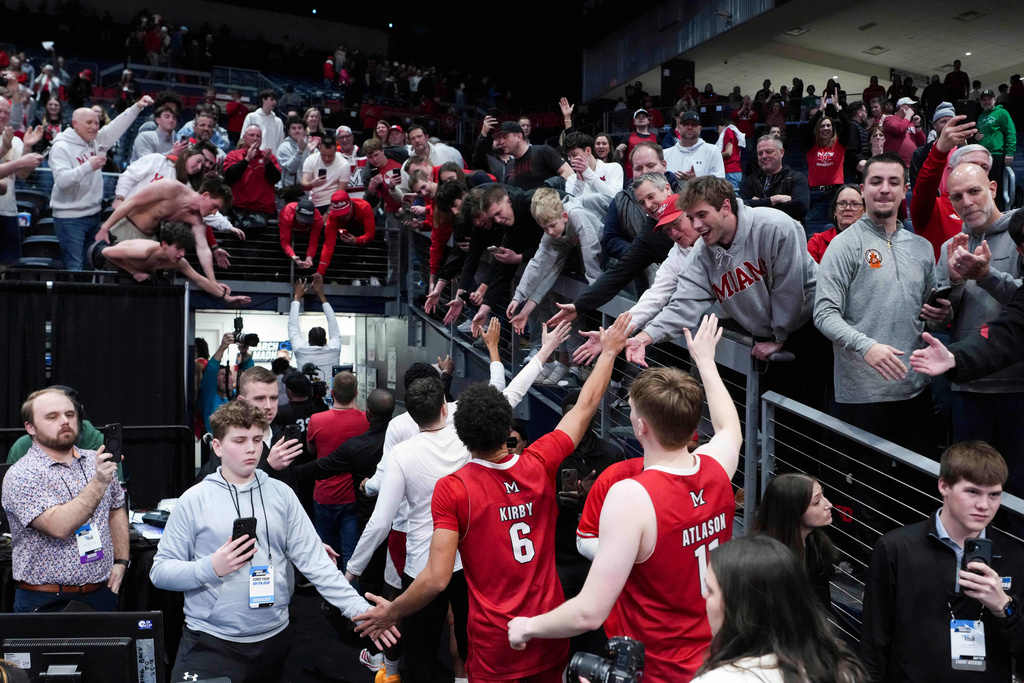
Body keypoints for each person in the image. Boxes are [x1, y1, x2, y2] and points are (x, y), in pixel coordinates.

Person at [354, 314, 633, 682]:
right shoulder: (539, 462)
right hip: (549, 630)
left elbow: (437, 579)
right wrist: (610, 351)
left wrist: (393, 612)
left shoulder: (454, 489)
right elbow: (584, 408)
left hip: (497, 644)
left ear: (463, 436)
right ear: (508, 428)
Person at [506, 314, 742, 682]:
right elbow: (730, 428)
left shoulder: (633, 495)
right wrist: (706, 362)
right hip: (713, 658)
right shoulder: (717, 468)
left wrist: (526, 626)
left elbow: (588, 613)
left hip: (656, 668)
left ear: (641, 426)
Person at [150, 400, 398, 682]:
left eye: (257, 439)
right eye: (240, 440)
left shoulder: (281, 494)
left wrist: (360, 610)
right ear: (217, 447)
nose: (251, 448)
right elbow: (160, 572)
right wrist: (211, 567)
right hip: (211, 641)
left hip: (274, 639)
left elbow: (317, 564)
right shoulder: (194, 500)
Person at [814, 152, 949, 459]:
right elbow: (823, 313)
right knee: (872, 495)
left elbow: (929, 319)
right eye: (876, 181)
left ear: (905, 189)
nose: (884, 189)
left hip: (916, 391)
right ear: (863, 189)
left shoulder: (922, 248)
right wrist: (867, 346)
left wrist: (942, 315)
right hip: (864, 396)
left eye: (893, 182)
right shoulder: (844, 245)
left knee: (918, 492)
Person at [860, 441, 1024, 682]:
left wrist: (1004, 607)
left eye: (994, 495)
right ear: (944, 486)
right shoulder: (896, 548)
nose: (984, 505)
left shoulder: (1015, 555)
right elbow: (874, 644)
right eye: (973, 492)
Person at [934, 167, 1024, 503]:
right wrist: (943, 303)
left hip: (1016, 386)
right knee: (969, 489)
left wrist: (987, 275)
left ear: (992, 187)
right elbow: (942, 318)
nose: (966, 202)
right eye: (957, 196)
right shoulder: (950, 247)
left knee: (1017, 490)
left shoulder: (1020, 232)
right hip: (967, 387)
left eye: (973, 191)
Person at [2, 388, 128, 612]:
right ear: (30, 427)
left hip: (101, 594)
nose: (65, 421)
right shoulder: (21, 474)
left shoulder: (95, 461)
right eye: (52, 417)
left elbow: (116, 507)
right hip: (45, 599)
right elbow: (60, 527)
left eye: (70, 415)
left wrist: (121, 561)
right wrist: (98, 481)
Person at [690, 535, 867, 683]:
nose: (705, 596)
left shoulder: (718, 679)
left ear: (743, 607)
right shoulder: (838, 665)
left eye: (711, 590)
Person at [49, 95, 153, 270]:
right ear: (75, 124)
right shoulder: (61, 147)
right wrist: (88, 166)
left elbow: (116, 127)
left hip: (93, 215)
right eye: (89, 123)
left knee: (91, 264)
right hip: (69, 218)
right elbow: (62, 181)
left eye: (97, 123)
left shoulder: (95, 141)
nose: (94, 127)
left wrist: (137, 107)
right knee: (75, 267)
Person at [94, 177, 230, 288]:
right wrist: (105, 227)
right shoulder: (170, 187)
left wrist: (212, 282)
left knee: (140, 283)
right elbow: (132, 202)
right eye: (214, 207)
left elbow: (203, 248)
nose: (213, 213)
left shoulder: (197, 219)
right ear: (205, 195)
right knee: (111, 277)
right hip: (126, 226)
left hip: (148, 239)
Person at [89, 224, 250, 304]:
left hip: (131, 266)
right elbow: (106, 253)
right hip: (102, 255)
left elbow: (199, 279)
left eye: (184, 250)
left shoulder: (179, 262)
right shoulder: (145, 251)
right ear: (164, 244)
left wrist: (227, 298)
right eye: (178, 249)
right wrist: (133, 272)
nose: (182, 254)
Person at [306, 372, 368, 568]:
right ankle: (351, 597)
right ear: (356, 393)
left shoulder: (317, 419)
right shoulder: (366, 419)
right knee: (351, 555)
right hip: (352, 495)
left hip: (325, 494)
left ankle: (328, 597)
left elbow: (311, 450)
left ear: (331, 392)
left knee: (326, 553)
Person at [749, 473, 837, 609]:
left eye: (823, 495)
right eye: (817, 502)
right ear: (794, 511)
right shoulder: (766, 564)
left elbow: (822, 605)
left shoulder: (816, 544)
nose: (829, 505)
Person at [738, 136, 810, 222]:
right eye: (760, 153)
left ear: (781, 152)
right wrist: (774, 199)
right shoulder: (750, 181)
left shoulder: (797, 178)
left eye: (769, 152)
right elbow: (741, 207)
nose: (764, 156)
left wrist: (758, 204)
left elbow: (801, 207)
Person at [289, 273, 342, 384]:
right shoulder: (334, 348)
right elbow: (333, 323)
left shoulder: (300, 349)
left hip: (306, 397)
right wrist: (321, 294)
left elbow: (292, 326)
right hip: (329, 399)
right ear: (325, 340)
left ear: (308, 340)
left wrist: (297, 297)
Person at [495, 120, 572, 189]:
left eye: (505, 137)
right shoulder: (509, 167)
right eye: (500, 138)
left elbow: (569, 173)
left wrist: (548, 191)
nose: (501, 142)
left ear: (519, 137)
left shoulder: (542, 151)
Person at [976, 89, 1016, 211]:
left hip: (997, 155)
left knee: (997, 188)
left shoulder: (1002, 113)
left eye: (989, 98)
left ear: (994, 99)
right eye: (984, 99)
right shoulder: (981, 117)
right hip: (982, 156)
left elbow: (1010, 132)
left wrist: (1009, 152)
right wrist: (976, 137)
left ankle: (1000, 214)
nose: (986, 101)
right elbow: (980, 136)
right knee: (984, 186)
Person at [663, 110, 725, 188]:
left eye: (694, 125)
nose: (689, 127)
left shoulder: (713, 151)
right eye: (686, 124)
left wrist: (696, 180)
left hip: (703, 198)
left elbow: (720, 183)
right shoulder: (666, 154)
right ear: (679, 127)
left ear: (700, 129)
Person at [806, 185, 864, 263]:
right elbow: (809, 274)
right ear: (835, 211)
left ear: (864, 211)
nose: (847, 208)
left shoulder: (873, 241)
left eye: (854, 204)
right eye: (842, 203)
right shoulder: (817, 242)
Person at [301, 133, 351, 214]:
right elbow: (304, 185)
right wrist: (313, 184)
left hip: (333, 204)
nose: (326, 158)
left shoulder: (344, 164)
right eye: (323, 155)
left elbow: (340, 193)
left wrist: (328, 213)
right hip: (313, 202)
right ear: (319, 148)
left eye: (330, 156)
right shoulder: (310, 160)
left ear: (336, 150)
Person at [241, 88, 284, 152]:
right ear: (263, 100)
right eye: (271, 100)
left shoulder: (278, 121)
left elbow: (280, 142)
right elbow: (243, 138)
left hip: (272, 157)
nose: (274, 102)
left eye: (275, 100)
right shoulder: (252, 116)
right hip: (254, 156)